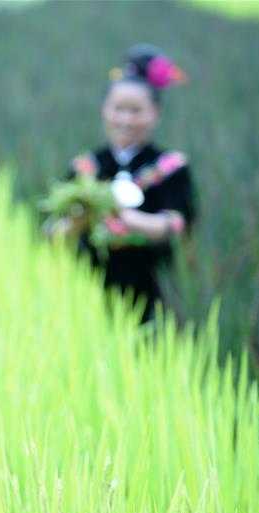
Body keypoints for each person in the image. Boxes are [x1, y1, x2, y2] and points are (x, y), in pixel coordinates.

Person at [60, 44, 197, 322]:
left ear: (156, 114)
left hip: (155, 291)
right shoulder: (85, 168)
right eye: (118, 109)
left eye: (136, 111)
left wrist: (123, 216)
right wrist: (79, 222)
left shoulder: (171, 168)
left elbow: (177, 224)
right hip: (88, 292)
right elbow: (53, 232)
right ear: (104, 110)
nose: (126, 119)